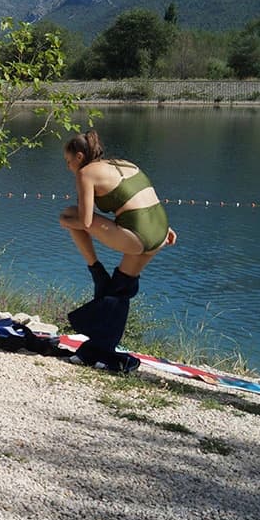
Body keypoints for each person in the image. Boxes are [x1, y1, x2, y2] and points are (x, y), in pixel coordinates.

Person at [58, 129, 177, 372]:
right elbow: (144, 197)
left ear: (79, 157)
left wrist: (64, 222)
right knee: (120, 287)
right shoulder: (122, 163)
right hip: (160, 231)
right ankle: (100, 352)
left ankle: (96, 269)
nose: (68, 167)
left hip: (137, 236)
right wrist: (164, 229)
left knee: (69, 214)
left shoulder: (85, 173)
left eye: (68, 161)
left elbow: (86, 221)